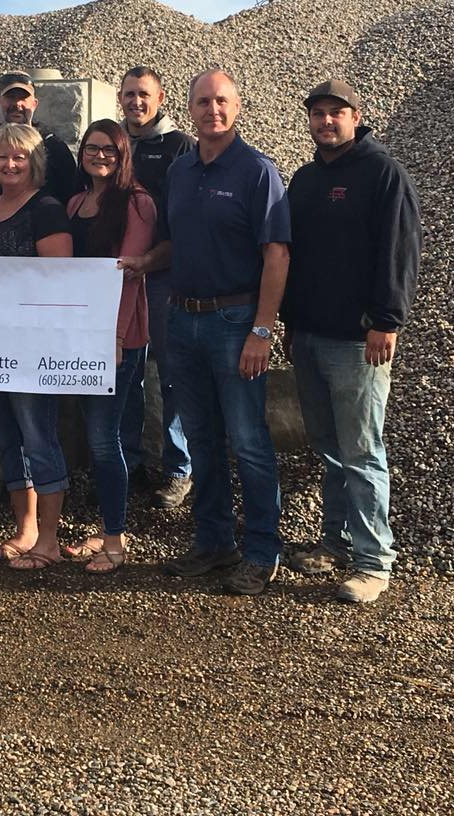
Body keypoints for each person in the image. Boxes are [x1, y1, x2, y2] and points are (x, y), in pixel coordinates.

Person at [282, 80, 422, 604]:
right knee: (330, 449)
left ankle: (373, 561)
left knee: (362, 451)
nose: (325, 121)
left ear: (356, 117)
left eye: (335, 113)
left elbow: (400, 251)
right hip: (310, 335)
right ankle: (336, 542)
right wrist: (291, 321)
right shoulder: (305, 180)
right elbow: (294, 256)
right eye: (317, 113)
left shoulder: (382, 173)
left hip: (358, 341)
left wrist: (387, 321)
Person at [162, 70, 291, 596]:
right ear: (189, 108)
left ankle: (261, 551)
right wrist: (140, 263)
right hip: (182, 319)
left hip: (235, 322)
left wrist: (263, 329)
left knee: (249, 441)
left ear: (237, 108)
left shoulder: (257, 171)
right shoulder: (179, 170)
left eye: (221, 101)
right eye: (202, 102)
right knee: (202, 438)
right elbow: (174, 242)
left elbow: (276, 255)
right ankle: (214, 541)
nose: (211, 110)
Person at [0, 71, 79, 507]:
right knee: (6, 433)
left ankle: (46, 531)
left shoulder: (48, 207)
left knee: (36, 433)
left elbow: (59, 276)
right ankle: (24, 524)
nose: (9, 165)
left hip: (31, 341)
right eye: (2, 158)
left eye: (19, 158)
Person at [62, 120, 156, 573]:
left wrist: (114, 338)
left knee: (104, 438)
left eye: (109, 150)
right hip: (77, 336)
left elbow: (127, 277)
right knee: (93, 435)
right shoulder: (75, 202)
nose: (99, 156)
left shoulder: (138, 204)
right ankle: (102, 529)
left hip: (118, 339)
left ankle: (115, 540)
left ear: (123, 156)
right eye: (91, 148)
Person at [116, 67, 196, 508]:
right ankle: (128, 463)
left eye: (144, 94)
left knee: (172, 373)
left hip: (165, 276)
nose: (136, 101)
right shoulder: (114, 144)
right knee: (126, 372)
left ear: (160, 98)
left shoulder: (180, 146)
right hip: (121, 276)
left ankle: (179, 468)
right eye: (129, 94)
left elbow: (185, 217)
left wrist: (155, 260)